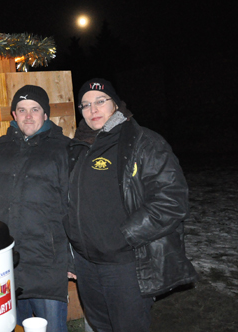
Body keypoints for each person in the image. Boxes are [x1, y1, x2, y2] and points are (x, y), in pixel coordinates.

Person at [65, 78, 198, 332]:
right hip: (86, 265)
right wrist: (72, 254)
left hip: (126, 264)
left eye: (100, 101)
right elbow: (69, 204)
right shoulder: (77, 147)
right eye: (85, 105)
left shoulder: (143, 142)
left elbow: (172, 200)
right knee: (101, 326)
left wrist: (124, 235)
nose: (93, 110)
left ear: (115, 104)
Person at [0, 85, 71, 332]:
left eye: (35, 109)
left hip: (47, 261)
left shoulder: (64, 150)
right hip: (5, 262)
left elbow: (75, 208)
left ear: (45, 114)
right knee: (9, 327)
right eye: (22, 109)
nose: (28, 116)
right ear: (14, 115)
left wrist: (73, 259)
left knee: (51, 329)